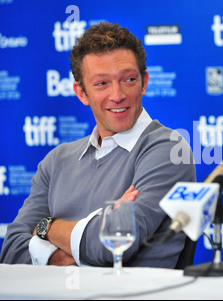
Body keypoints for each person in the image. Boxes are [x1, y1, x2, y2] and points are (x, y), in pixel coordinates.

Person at [0, 22, 196, 268]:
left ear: (144, 82)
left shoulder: (168, 149)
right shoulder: (56, 161)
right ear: (82, 93)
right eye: (102, 83)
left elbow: (111, 245)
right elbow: (10, 252)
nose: (117, 95)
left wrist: (47, 226)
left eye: (129, 79)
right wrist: (66, 254)